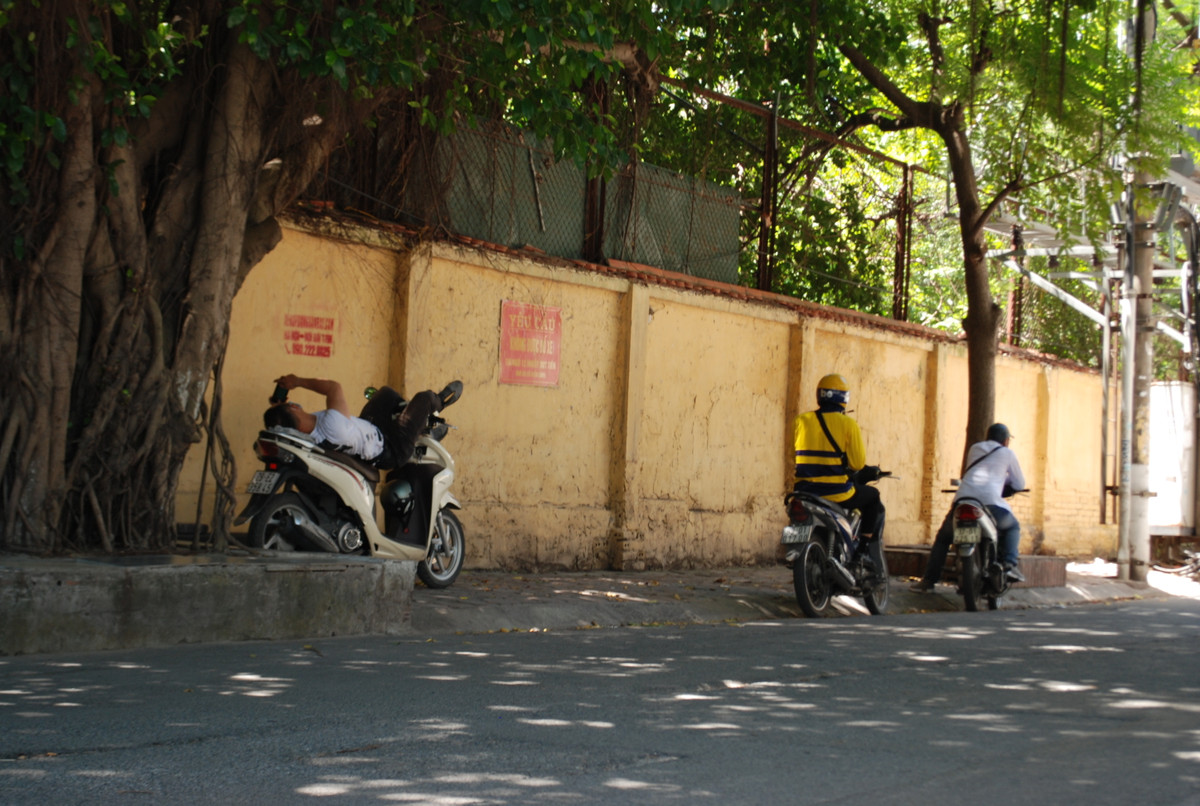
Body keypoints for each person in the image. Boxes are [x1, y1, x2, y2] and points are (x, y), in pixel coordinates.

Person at [910, 422, 1026, 592]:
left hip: (963, 500)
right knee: (1012, 527)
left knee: (943, 539)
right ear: (1006, 440)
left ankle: (928, 581)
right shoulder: (1007, 453)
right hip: (991, 504)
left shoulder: (975, 448)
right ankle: (1008, 565)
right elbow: (1019, 483)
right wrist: (1005, 483)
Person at [263, 374, 441, 470]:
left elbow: (284, 423)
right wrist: (298, 381)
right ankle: (439, 402)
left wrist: (278, 406)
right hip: (391, 449)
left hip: (370, 430)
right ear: (293, 409)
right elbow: (334, 387)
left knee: (385, 394)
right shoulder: (332, 424)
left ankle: (418, 426)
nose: (292, 404)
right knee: (423, 399)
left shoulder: (304, 434)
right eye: (289, 406)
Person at [792, 373, 885, 552]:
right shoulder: (848, 424)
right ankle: (862, 549)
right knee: (873, 496)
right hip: (836, 493)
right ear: (843, 398)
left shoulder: (800, 421)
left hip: (804, 491)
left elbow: (792, 456)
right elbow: (857, 464)